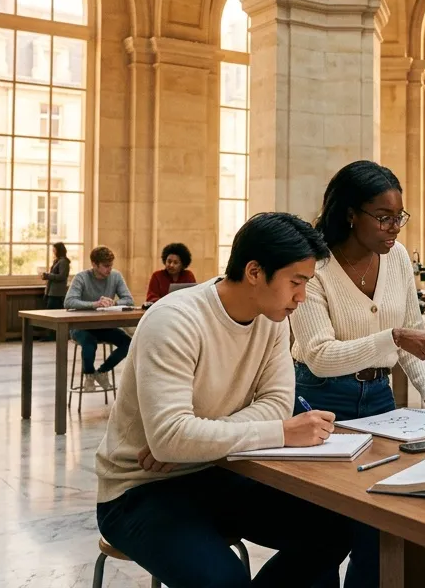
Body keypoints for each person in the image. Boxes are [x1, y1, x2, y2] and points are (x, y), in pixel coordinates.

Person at [95, 212, 353, 588]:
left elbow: (276, 403)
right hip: (139, 489)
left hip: (219, 472)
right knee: (224, 580)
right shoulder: (174, 320)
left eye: (307, 283)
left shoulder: (274, 320)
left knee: (333, 529)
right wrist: (280, 433)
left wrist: (194, 442)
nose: (302, 296)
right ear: (254, 271)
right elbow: (170, 437)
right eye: (296, 282)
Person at [291, 161, 425, 588]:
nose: (394, 228)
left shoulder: (395, 263)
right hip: (320, 400)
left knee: (382, 524)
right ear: (351, 213)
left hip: (380, 398)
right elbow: (319, 355)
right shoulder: (312, 267)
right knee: (321, 531)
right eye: (384, 217)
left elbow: (411, 337)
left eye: (399, 217)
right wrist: (391, 337)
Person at [64, 246, 134, 392]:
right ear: (94, 264)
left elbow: (129, 300)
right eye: (106, 266)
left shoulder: (116, 276)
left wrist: (114, 302)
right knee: (89, 342)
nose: (109, 269)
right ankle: (89, 376)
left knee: (128, 343)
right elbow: (69, 301)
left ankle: (102, 372)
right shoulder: (81, 277)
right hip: (81, 326)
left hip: (104, 325)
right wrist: (95, 304)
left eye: (111, 266)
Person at [41, 242, 70, 310]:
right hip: (51, 292)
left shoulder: (63, 262)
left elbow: (62, 276)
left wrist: (48, 276)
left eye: (54, 250)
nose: (53, 252)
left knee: (52, 312)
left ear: (59, 251)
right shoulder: (57, 261)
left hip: (57, 293)